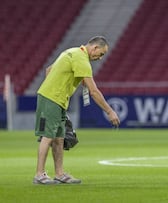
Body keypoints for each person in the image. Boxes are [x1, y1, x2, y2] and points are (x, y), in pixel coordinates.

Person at [33, 36, 120, 184]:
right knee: (48, 136)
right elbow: (94, 91)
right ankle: (39, 174)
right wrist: (110, 111)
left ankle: (60, 174)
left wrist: (59, 85)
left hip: (56, 99)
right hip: (52, 99)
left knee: (59, 138)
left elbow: (49, 70)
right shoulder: (82, 60)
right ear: (94, 48)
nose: (100, 58)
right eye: (101, 54)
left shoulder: (71, 51)